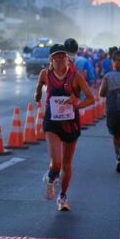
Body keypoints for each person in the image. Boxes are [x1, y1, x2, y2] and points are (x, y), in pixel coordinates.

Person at [34, 43, 96, 211]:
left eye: (63, 57)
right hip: (52, 122)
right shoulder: (45, 74)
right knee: (56, 163)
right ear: (51, 60)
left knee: (67, 164)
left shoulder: (76, 77)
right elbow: (37, 93)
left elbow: (91, 98)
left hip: (70, 123)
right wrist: (38, 94)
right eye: (57, 58)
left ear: (68, 59)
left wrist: (77, 104)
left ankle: (62, 197)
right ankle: (50, 178)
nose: (60, 61)